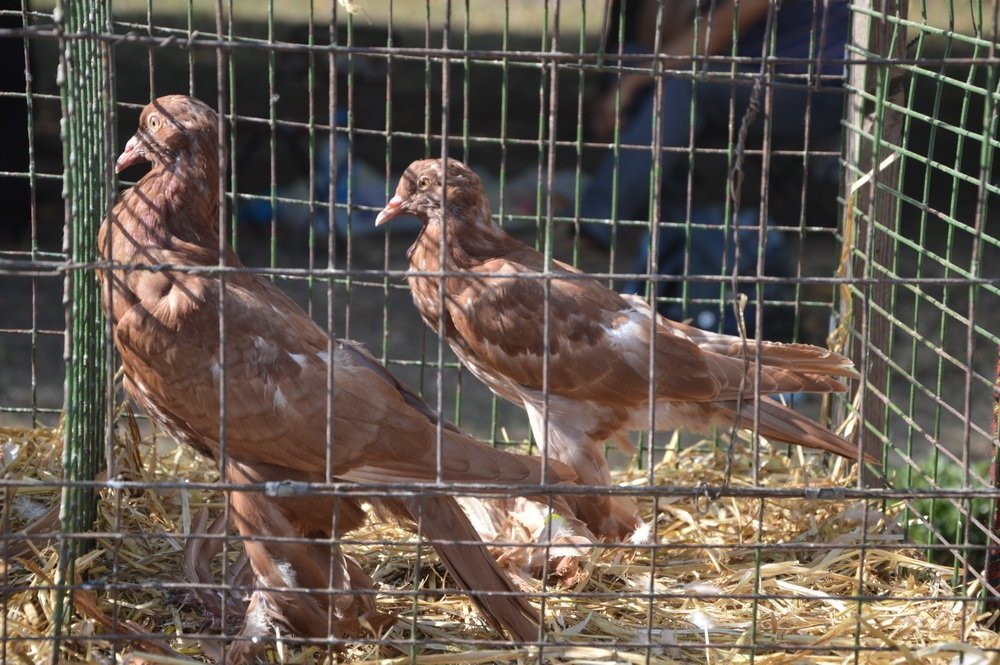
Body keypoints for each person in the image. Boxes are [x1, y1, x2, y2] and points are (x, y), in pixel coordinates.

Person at [581, 0, 849, 341]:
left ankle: (600, 224)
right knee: (638, 59)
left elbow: (717, 29)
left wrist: (632, 83)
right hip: (752, 77)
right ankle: (672, 254)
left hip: (812, 90)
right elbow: (659, 38)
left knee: (680, 83)